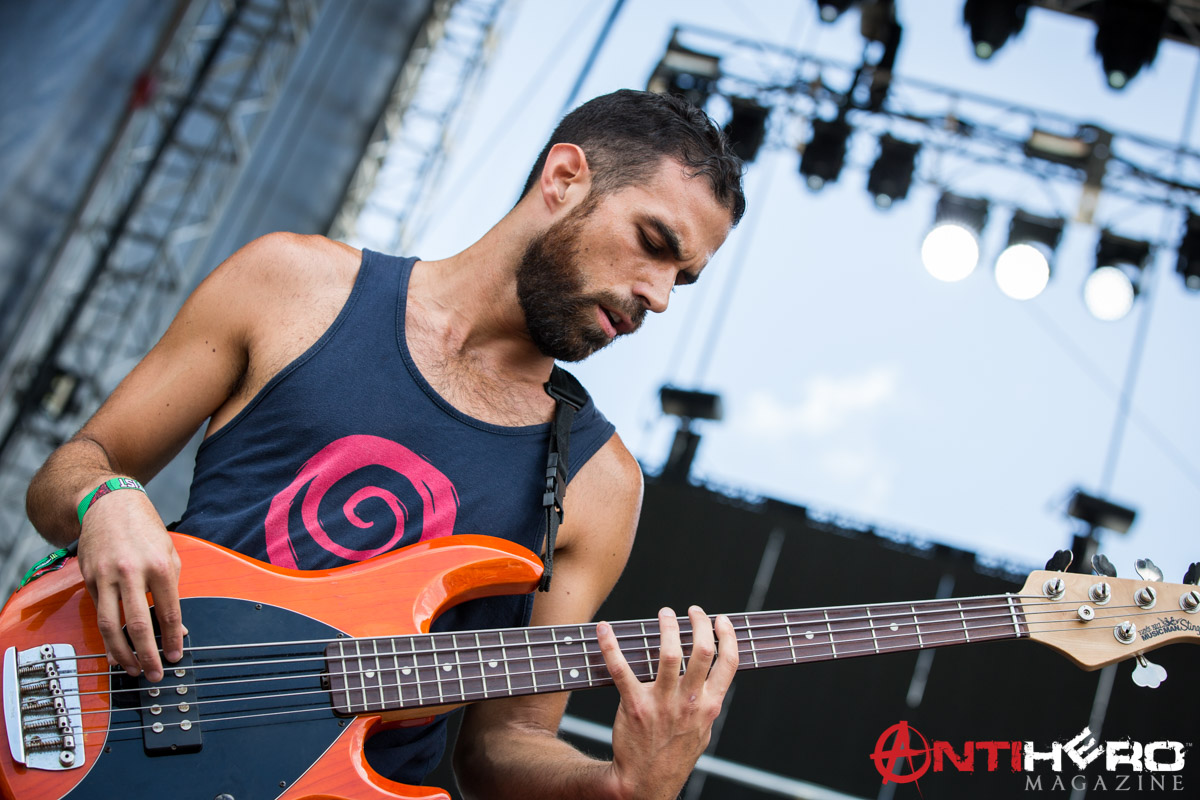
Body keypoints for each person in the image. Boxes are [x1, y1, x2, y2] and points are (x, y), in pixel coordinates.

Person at [26, 88, 746, 798]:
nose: (658, 296)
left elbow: (500, 750)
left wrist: (624, 788)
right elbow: (67, 476)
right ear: (564, 178)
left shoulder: (600, 485)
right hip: (100, 719)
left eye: (681, 280)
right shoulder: (292, 285)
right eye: (654, 244)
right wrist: (106, 498)